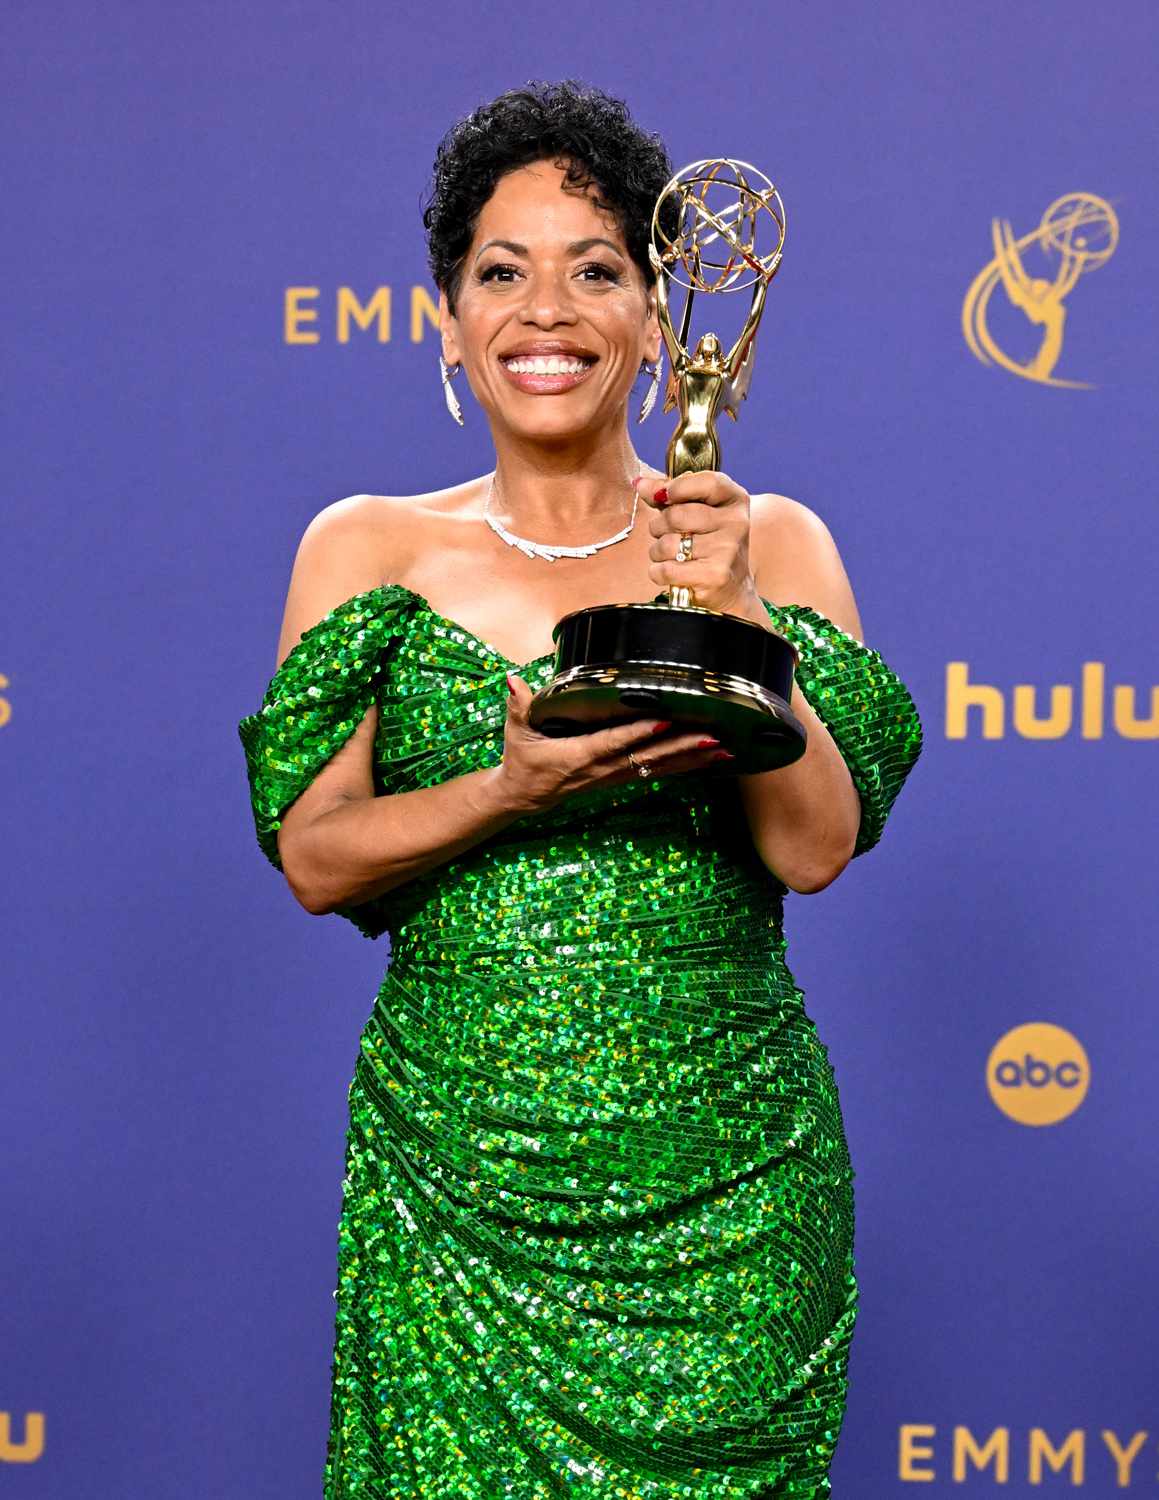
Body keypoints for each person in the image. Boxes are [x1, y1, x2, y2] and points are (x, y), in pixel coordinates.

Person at [238, 80, 923, 1499]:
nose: (545, 312)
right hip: (460, 1209)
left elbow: (815, 851)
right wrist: (508, 787)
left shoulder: (767, 540)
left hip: (726, 1205)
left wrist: (737, 618)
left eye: (596, 269)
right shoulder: (364, 550)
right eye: (502, 272)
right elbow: (316, 859)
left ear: (663, 321)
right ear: (446, 319)